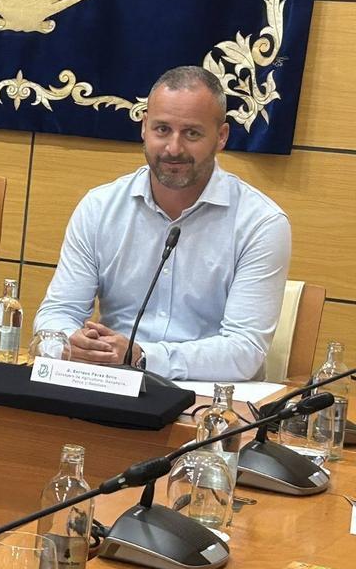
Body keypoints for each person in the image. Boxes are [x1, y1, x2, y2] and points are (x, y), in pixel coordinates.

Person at [33, 65, 291, 381]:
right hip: (110, 385)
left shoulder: (260, 223)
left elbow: (244, 350)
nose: (173, 148)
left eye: (192, 133)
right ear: (144, 128)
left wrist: (142, 356)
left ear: (221, 136)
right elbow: (57, 313)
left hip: (208, 402)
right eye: (162, 129)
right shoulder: (99, 207)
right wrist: (68, 341)